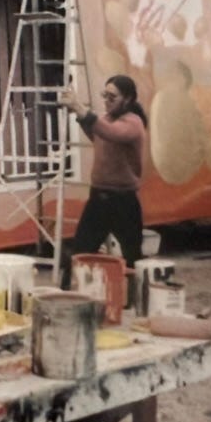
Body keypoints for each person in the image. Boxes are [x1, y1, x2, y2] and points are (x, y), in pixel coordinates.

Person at [57, 75, 148, 289]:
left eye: (112, 97)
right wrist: (79, 113)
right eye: (104, 95)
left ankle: (135, 299)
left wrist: (79, 107)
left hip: (124, 200)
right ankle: (65, 295)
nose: (106, 101)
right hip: (98, 197)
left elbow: (111, 133)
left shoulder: (133, 123)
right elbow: (97, 133)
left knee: (132, 256)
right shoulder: (105, 119)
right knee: (80, 252)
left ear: (128, 99)